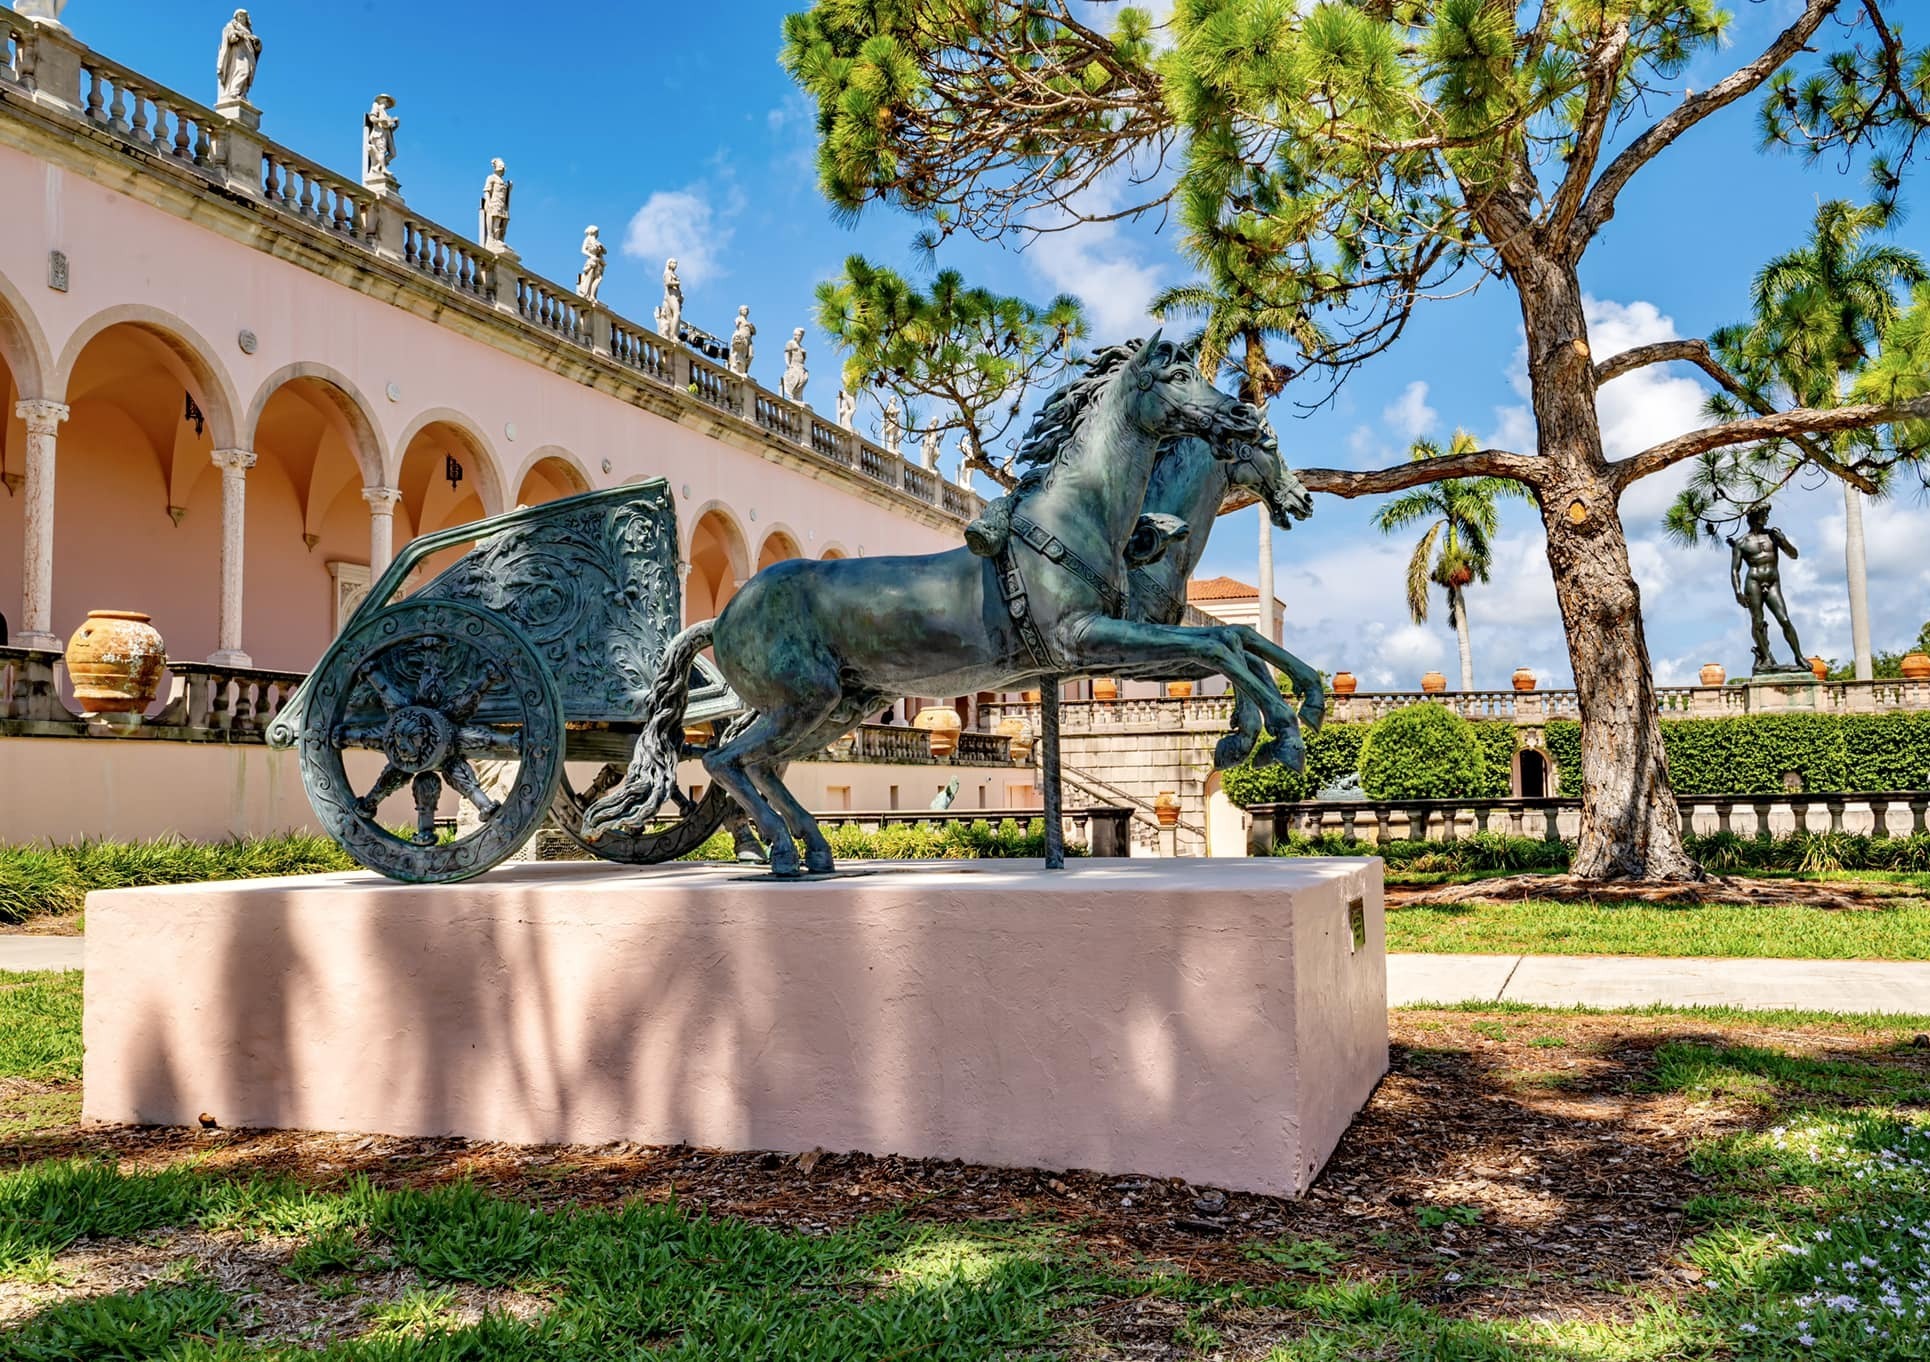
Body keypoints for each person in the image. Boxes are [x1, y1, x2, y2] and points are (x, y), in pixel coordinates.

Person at [1729, 503, 1805, 673]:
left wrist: (1783, 540)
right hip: (1754, 581)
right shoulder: (1741, 542)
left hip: (1772, 582)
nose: (1766, 518)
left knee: (1784, 619)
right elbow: (1735, 570)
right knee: (1757, 621)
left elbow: (1794, 555)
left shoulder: (1773, 536)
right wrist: (1738, 593)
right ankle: (1765, 657)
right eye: (1764, 515)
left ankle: (1799, 656)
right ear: (1754, 518)